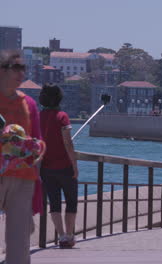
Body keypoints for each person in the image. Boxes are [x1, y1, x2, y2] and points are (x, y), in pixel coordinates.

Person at [0, 50, 43, 264]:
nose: (20, 74)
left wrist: (35, 148)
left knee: (19, 245)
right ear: (1, 71)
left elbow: (39, 140)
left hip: (23, 177)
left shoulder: (30, 104)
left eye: (22, 69)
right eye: (14, 68)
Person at [39, 84, 79, 249]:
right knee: (71, 202)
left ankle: (61, 236)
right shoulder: (62, 116)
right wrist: (75, 165)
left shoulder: (39, 116)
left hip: (46, 168)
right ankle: (69, 236)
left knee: (54, 204)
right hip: (65, 166)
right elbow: (67, 143)